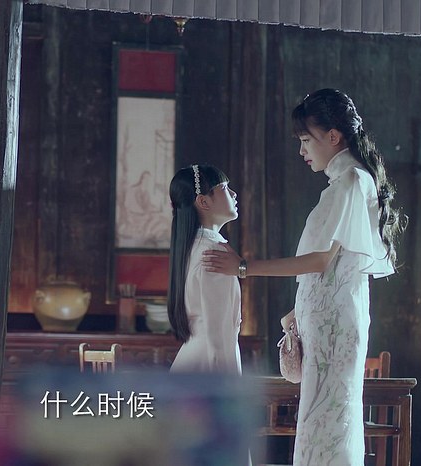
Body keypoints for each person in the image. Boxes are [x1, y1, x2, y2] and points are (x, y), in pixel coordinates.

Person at [202, 89, 405, 465]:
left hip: (334, 328)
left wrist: (244, 267)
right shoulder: (345, 182)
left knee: (327, 422)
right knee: (322, 420)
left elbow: (321, 260)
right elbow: (335, 266)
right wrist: (299, 311)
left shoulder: (351, 181)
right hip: (328, 324)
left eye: (306, 140)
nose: (301, 150)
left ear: (333, 136)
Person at [167, 164, 242, 374]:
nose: (234, 194)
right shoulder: (214, 253)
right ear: (203, 201)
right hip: (208, 366)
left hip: (191, 358)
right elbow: (218, 334)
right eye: (224, 188)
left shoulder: (191, 246)